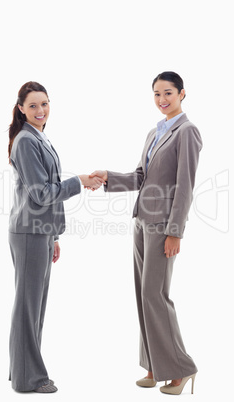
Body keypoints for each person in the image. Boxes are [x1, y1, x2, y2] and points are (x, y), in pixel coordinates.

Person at [89, 72, 202, 395]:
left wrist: (175, 231)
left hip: (164, 225)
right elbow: (141, 176)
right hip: (141, 220)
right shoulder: (154, 132)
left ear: (182, 94)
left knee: (156, 295)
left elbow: (185, 186)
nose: (162, 99)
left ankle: (181, 368)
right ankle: (155, 364)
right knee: (143, 294)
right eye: (156, 94)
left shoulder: (187, 132)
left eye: (167, 93)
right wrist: (108, 176)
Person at [7, 81, 105, 393]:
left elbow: (44, 192)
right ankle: (28, 379)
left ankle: (22, 370)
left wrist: (55, 235)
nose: (40, 110)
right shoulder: (25, 140)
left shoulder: (38, 137)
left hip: (40, 231)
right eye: (33, 105)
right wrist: (79, 181)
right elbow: (40, 194)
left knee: (33, 307)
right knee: (28, 306)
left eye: (45, 104)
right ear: (21, 108)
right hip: (28, 232)